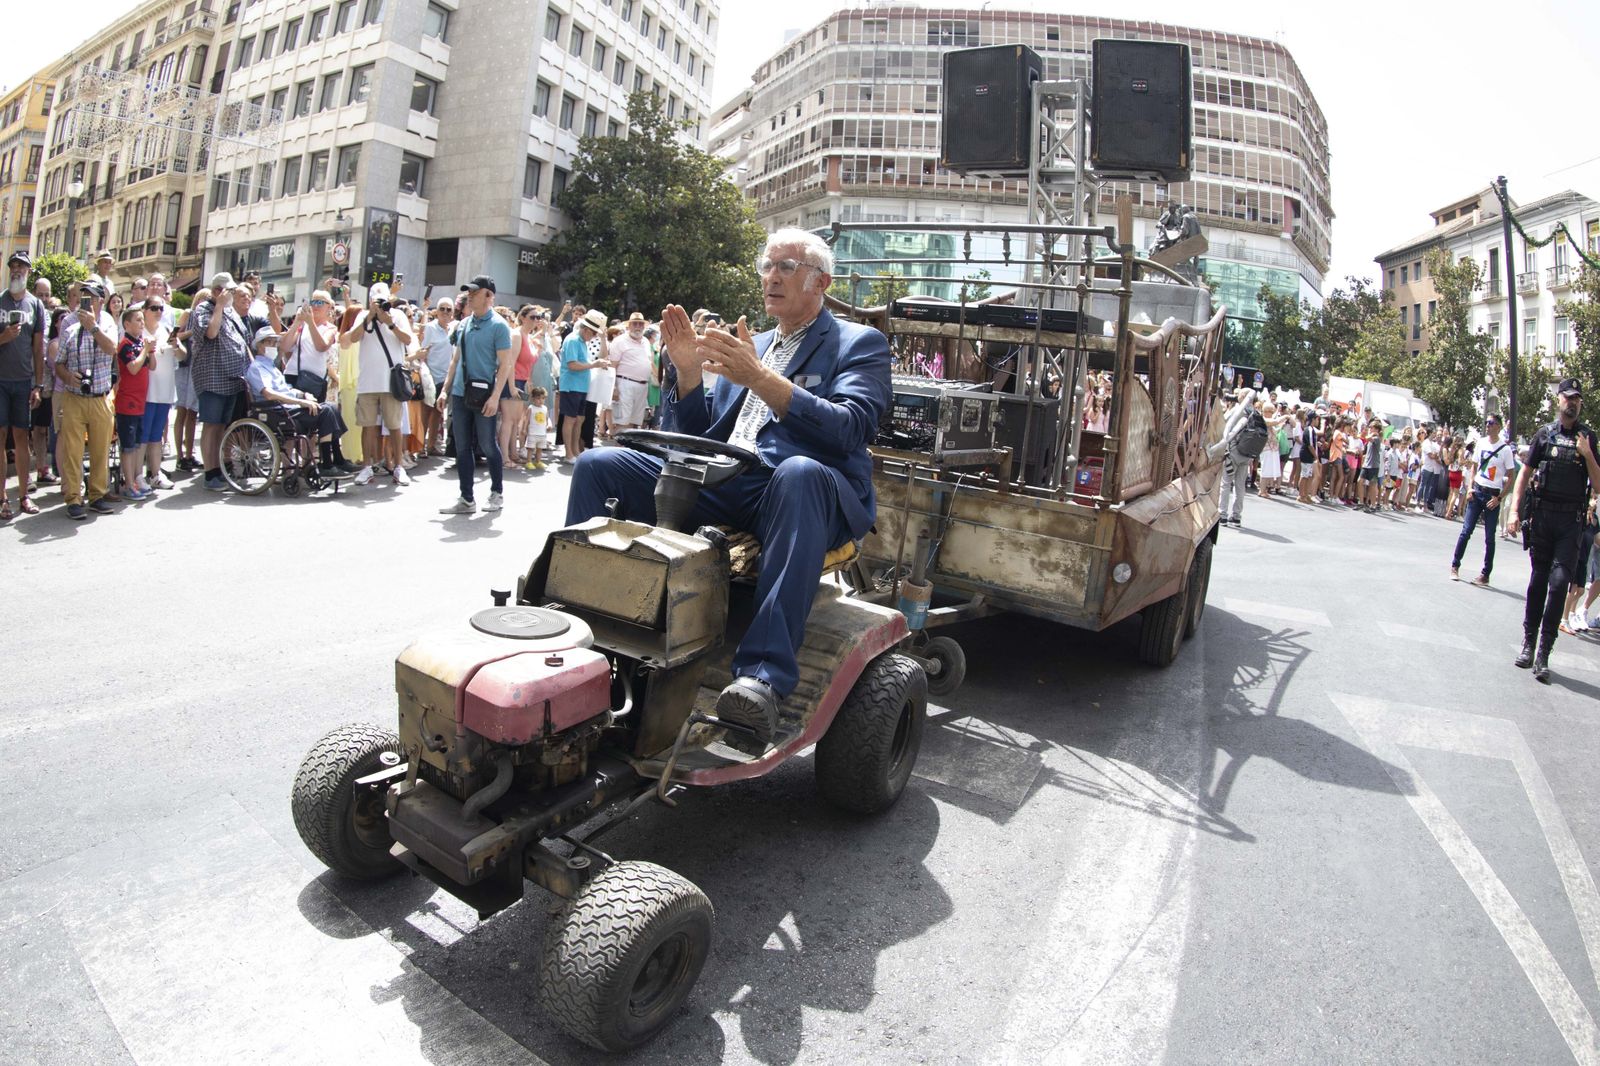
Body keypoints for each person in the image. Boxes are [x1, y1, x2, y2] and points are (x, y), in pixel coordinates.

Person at [567, 228, 892, 754]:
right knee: (599, 464)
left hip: (802, 493)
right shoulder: (754, 345)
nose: (773, 276)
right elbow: (700, 435)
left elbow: (851, 427)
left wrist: (763, 379)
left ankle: (762, 678)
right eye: (768, 265)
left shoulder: (858, 343)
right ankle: (579, 628)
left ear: (821, 283)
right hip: (726, 476)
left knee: (801, 473)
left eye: (787, 266)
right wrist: (690, 375)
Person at [1507, 379, 1600, 682]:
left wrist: (1587, 454)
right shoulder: (1544, 435)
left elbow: (1598, 485)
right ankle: (1528, 643)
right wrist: (1514, 510)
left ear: (1580, 404)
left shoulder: (1588, 437)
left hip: (1570, 523)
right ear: (1558, 400)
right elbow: (1526, 473)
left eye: (1577, 399)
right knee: (1537, 582)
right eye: (1567, 397)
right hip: (1544, 518)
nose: (1572, 403)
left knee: (1559, 584)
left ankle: (1545, 651)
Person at [437, 274, 514, 514]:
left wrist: (495, 397)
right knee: (461, 448)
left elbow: (505, 365)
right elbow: (455, 360)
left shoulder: (500, 326)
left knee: (488, 445)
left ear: (489, 296)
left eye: (475, 292)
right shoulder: (464, 323)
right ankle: (466, 498)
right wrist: (444, 390)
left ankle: (496, 493)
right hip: (460, 394)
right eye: (468, 292)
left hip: (484, 396)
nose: (469, 296)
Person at [244, 326, 352, 475]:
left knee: (331, 407)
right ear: (260, 345)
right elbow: (269, 394)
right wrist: (301, 403)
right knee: (326, 411)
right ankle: (328, 463)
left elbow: (287, 390)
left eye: (275, 343)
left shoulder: (273, 367)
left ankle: (338, 459)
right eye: (269, 342)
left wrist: (303, 395)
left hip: (288, 407)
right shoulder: (257, 367)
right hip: (276, 410)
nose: (273, 346)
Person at [53, 281, 119, 519]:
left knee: (101, 449)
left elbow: (112, 349)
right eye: (83, 297)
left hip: (101, 396)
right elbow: (58, 363)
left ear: (101, 302)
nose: (87, 302)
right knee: (73, 451)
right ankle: (73, 498)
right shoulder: (69, 327)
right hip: (75, 397)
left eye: (91, 298)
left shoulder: (108, 323)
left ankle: (97, 495)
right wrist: (69, 377)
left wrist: (92, 327)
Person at [341, 281, 414, 487]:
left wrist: (389, 322)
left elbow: (408, 340)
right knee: (368, 425)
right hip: (368, 381)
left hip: (391, 381)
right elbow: (353, 339)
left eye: (383, 300)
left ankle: (398, 467)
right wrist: (369, 318)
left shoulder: (398, 315)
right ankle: (366, 467)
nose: (380, 304)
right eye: (376, 300)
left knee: (394, 425)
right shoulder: (362, 316)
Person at [188, 273, 253, 490]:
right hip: (212, 378)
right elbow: (211, 333)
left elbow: (242, 340)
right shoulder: (204, 310)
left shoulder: (230, 311)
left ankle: (219, 468)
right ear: (218, 291)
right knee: (212, 425)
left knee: (223, 426)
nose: (233, 295)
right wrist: (219, 307)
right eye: (229, 291)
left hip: (232, 377)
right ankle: (210, 473)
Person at [1, 250, 48, 519]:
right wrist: (4, 337)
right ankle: (2, 498)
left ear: (29, 272)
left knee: (21, 438)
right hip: (0, 381)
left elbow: (38, 348)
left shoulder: (36, 305)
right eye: (14, 266)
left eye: (22, 267)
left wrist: (38, 385)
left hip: (23, 383)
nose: (17, 270)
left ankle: (23, 495)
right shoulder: (0, 301)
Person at [1451, 413, 1514, 586]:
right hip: (1477, 491)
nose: (1488, 425)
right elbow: (1475, 468)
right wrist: (1471, 487)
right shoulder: (1481, 443)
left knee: (1489, 537)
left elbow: (1511, 475)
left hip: (1492, 495)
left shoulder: (1505, 449)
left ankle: (1485, 574)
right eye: (1486, 422)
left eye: (1491, 423)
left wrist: (1499, 498)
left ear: (1499, 426)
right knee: (1466, 530)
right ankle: (1455, 565)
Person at [113, 308, 156, 501]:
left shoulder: (140, 342)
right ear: (127, 324)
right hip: (127, 402)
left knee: (137, 444)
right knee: (128, 447)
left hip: (140, 402)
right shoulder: (125, 344)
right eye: (138, 320)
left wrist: (151, 350)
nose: (141, 323)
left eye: (142, 320)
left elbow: (152, 366)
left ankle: (135, 480)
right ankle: (128, 483)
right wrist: (145, 350)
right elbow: (132, 368)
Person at [558, 309, 608, 462]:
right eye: (593, 333)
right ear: (586, 329)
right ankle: (569, 453)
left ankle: (574, 451)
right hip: (571, 386)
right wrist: (594, 364)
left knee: (579, 419)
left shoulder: (581, 341)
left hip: (580, 386)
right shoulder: (573, 340)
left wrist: (595, 364)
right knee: (571, 419)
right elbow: (572, 365)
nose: (594, 337)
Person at [138, 296, 177, 491]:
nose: (158, 311)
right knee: (143, 436)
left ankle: (155, 474)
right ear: (144, 310)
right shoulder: (139, 331)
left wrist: (178, 345)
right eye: (154, 308)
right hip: (146, 392)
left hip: (165, 391)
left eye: (161, 308)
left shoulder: (166, 330)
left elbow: (182, 354)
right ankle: (137, 476)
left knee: (156, 437)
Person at [1216, 389, 1267, 527]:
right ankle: (1237, 516)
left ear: (1243, 396)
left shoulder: (1238, 410)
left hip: (1233, 452)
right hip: (1247, 454)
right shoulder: (1254, 412)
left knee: (1226, 483)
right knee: (1240, 486)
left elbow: (1224, 421)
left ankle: (1222, 514)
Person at [421, 297, 456, 455]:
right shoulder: (430, 328)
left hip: (445, 378)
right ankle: (419, 446)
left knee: (437, 413)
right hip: (430, 376)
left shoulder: (453, 329)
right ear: (437, 311)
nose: (445, 312)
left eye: (449, 309)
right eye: (442, 308)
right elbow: (423, 353)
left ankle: (431, 445)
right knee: (425, 413)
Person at [609, 312, 654, 432]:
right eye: (635, 323)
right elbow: (612, 366)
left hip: (642, 386)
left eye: (640, 324)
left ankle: (627, 449)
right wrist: (613, 387)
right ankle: (619, 450)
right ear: (629, 325)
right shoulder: (619, 341)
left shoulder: (646, 341)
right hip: (624, 384)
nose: (638, 326)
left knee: (635, 424)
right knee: (622, 422)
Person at [524, 385, 550, 470]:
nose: (541, 400)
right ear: (533, 399)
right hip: (533, 432)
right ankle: (529, 462)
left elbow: (547, 418)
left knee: (540, 448)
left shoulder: (545, 408)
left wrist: (549, 424)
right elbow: (527, 420)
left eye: (543, 398)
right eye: (538, 398)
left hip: (542, 433)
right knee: (530, 448)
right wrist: (524, 429)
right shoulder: (531, 408)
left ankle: (538, 461)